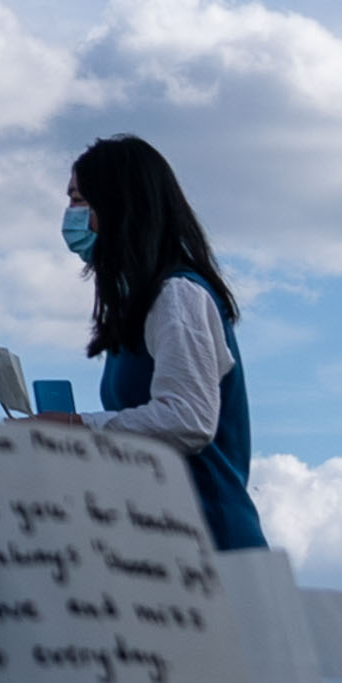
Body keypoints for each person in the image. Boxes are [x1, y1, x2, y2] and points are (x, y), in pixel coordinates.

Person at [61, 134, 266, 554]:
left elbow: (187, 420)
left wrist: (76, 428)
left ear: (119, 205)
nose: (71, 216)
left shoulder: (177, 295)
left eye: (80, 201)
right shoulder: (140, 307)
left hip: (213, 544)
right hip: (171, 543)